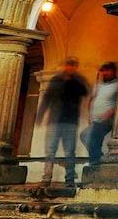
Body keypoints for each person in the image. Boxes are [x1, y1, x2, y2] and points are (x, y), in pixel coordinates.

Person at [37, 57, 89, 188]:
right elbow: (47, 97)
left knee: (69, 152)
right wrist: (40, 115)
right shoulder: (56, 80)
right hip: (54, 120)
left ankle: (70, 179)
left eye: (73, 66)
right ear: (65, 66)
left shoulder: (78, 81)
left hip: (70, 121)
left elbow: (84, 92)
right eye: (69, 65)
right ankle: (46, 178)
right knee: (50, 151)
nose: (70, 68)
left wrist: (74, 80)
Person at [85, 61, 118, 166]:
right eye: (103, 71)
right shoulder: (99, 85)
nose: (105, 73)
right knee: (89, 138)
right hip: (95, 119)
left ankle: (96, 161)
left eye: (108, 71)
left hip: (106, 119)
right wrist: (89, 116)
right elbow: (92, 99)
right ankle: (98, 160)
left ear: (113, 72)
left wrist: (110, 112)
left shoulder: (117, 85)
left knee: (89, 138)